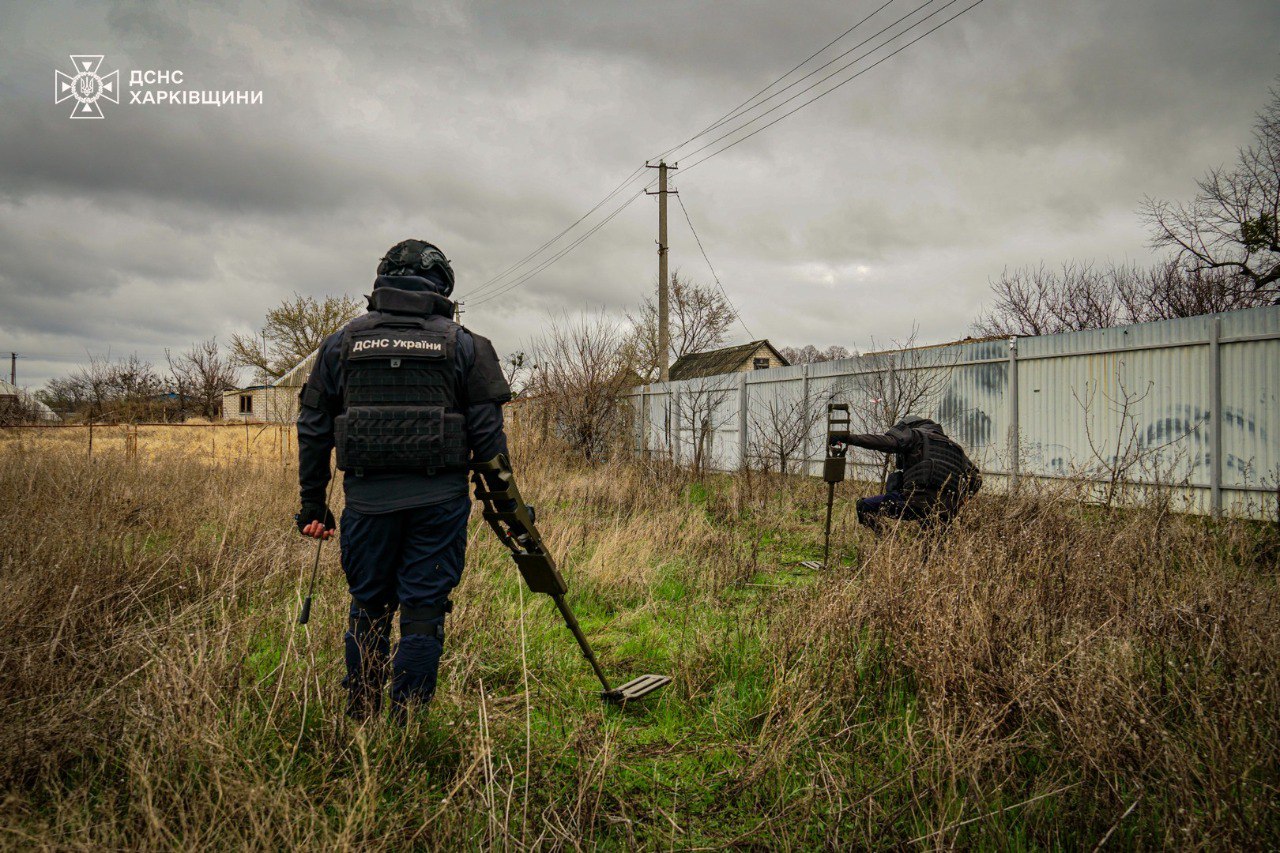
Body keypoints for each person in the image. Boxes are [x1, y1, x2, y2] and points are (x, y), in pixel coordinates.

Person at [295, 239, 513, 722]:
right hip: (439, 504)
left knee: (368, 605)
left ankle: (362, 717)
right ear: (442, 283)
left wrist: (313, 504)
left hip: (367, 505)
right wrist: (508, 506)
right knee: (422, 610)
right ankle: (406, 726)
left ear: (383, 279)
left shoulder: (340, 343)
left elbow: (312, 428)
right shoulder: (466, 345)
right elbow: (489, 440)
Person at [829, 415, 981, 532]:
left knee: (863, 506)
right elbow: (976, 479)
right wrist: (959, 501)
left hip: (916, 503)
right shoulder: (955, 448)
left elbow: (885, 443)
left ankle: (889, 543)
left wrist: (849, 438)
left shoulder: (916, 436)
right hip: (946, 511)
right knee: (932, 554)